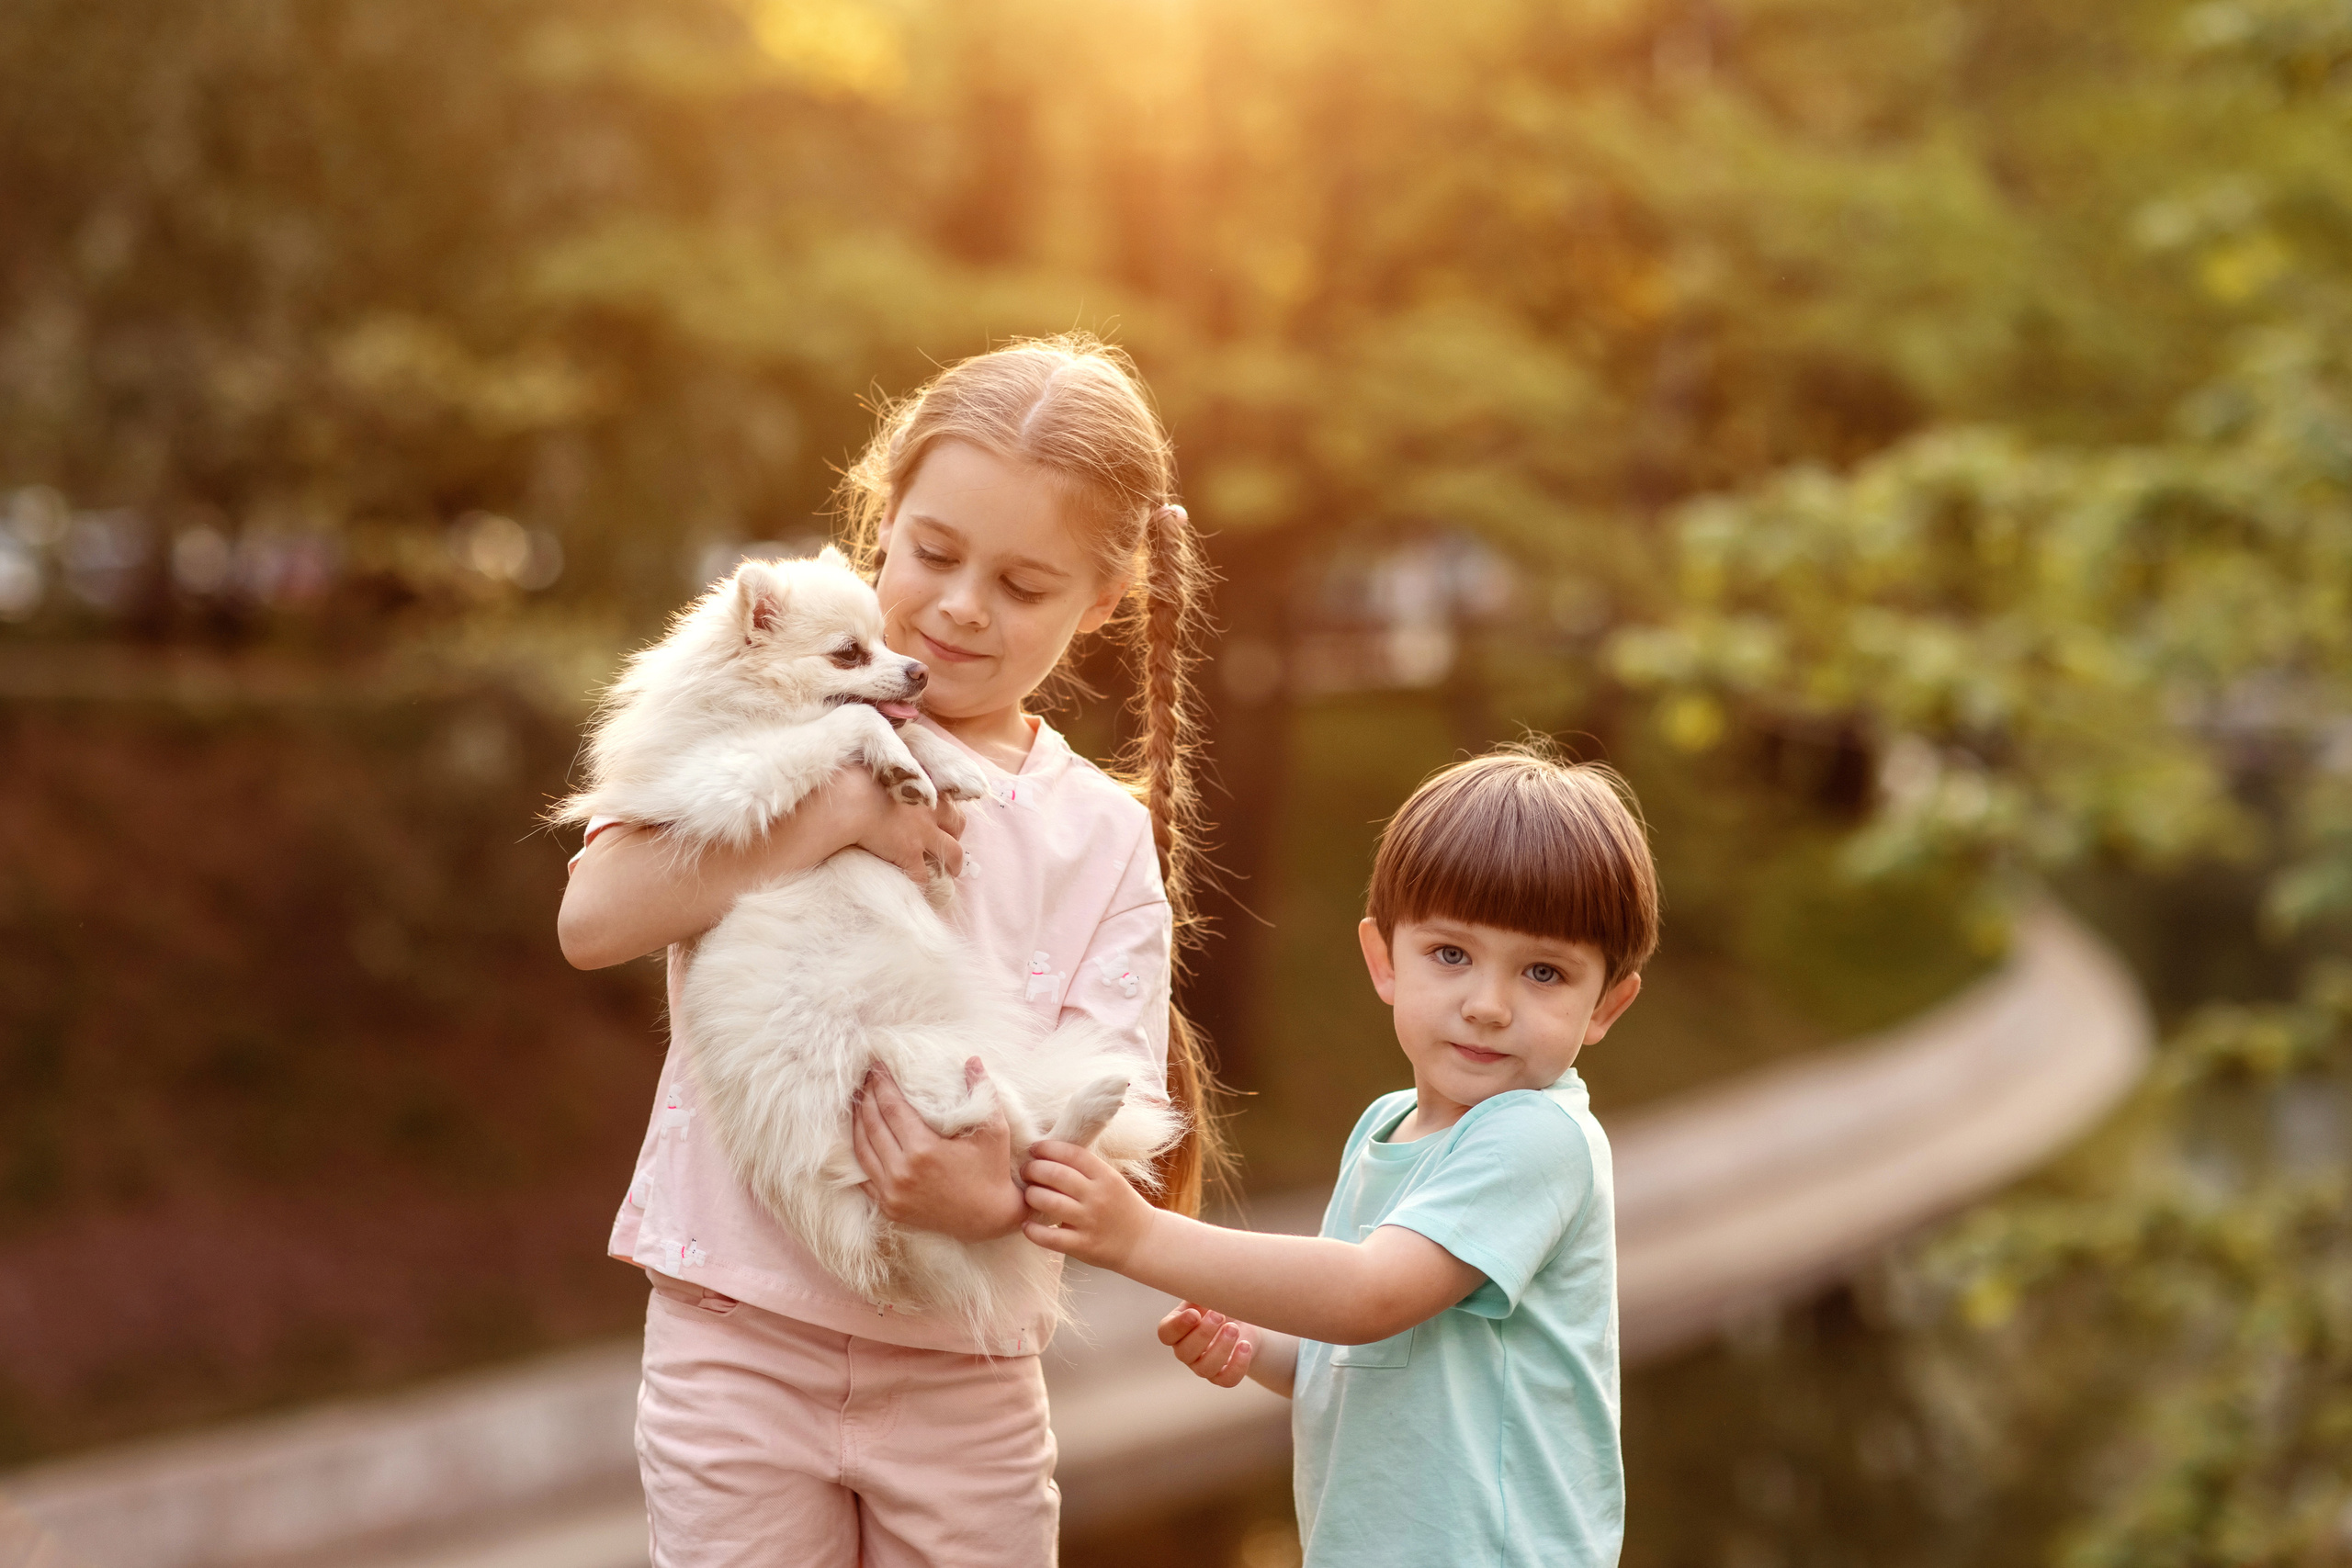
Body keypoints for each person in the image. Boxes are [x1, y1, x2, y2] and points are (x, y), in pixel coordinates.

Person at [557, 334, 1222, 1568]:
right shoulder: (760, 702)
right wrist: (843, 809)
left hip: (963, 1372)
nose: (964, 605)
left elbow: (1118, 1112)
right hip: (735, 1338)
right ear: (884, 520)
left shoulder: (1100, 837)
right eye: (935, 553)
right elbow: (594, 918)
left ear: (1106, 596)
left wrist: (990, 1195)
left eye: (1024, 585)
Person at [1021, 748, 1658, 1568]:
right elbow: (1362, 1349)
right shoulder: (1386, 1128)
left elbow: (1370, 1295)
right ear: (1385, 958)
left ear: (1606, 1003)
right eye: (1452, 954)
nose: (1488, 1005)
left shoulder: (1537, 1137)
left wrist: (1138, 1237)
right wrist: (1264, 1344)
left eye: (1543, 972)